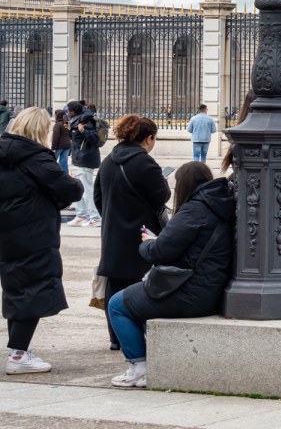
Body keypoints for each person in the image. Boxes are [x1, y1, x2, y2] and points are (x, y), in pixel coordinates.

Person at [107, 161, 235, 388]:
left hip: (190, 292)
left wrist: (147, 243)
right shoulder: (222, 206)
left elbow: (159, 252)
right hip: (213, 289)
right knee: (137, 300)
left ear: (183, 185)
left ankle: (139, 368)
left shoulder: (195, 209)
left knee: (117, 304)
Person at [0, 107, 83, 374]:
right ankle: (18, 355)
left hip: (7, 232)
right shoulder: (36, 158)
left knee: (15, 289)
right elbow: (71, 189)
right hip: (33, 233)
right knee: (33, 290)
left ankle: (17, 350)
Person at [94, 114, 172, 351]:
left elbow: (98, 196)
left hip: (113, 231)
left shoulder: (108, 160)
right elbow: (162, 196)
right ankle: (135, 335)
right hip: (141, 232)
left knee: (114, 283)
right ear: (148, 138)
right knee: (140, 285)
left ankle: (115, 337)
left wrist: (112, 216)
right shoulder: (145, 163)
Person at [66, 100, 102, 227]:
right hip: (79, 158)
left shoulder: (87, 120)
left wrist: (83, 131)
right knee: (78, 188)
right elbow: (75, 140)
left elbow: (95, 138)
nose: (67, 112)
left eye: (69, 110)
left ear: (74, 111)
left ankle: (95, 217)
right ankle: (81, 215)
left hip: (86, 159)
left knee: (87, 189)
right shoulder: (77, 120)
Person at [50, 109, 72, 174]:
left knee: (52, 161)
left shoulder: (58, 125)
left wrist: (53, 148)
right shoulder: (67, 124)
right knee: (64, 162)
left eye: (55, 114)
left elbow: (55, 137)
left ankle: (51, 174)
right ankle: (65, 176)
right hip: (67, 145)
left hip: (59, 146)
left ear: (57, 116)